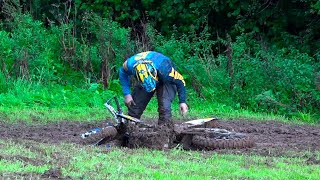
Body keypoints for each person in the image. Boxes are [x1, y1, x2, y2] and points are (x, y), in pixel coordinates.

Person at [119, 51, 188, 125]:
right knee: (135, 105)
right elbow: (122, 72)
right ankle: (130, 126)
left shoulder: (166, 69)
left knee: (165, 107)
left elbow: (180, 80)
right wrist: (127, 94)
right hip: (146, 76)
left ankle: (165, 130)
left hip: (165, 78)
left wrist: (182, 102)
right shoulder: (130, 65)